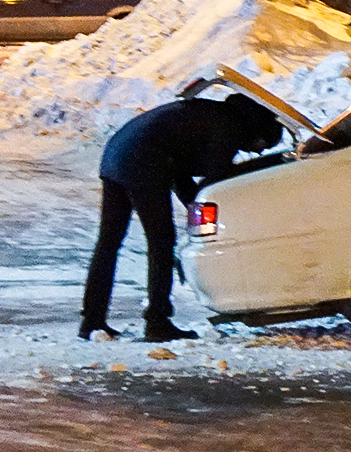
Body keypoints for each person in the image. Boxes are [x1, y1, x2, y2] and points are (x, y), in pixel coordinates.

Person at [79, 93, 286, 341]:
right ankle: (157, 322)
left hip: (116, 155)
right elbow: (215, 182)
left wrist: (194, 210)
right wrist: (206, 217)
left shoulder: (209, 113)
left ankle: (91, 321)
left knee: (108, 242)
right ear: (258, 133)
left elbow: (180, 172)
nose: (255, 151)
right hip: (143, 161)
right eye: (261, 147)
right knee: (161, 241)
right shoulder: (228, 128)